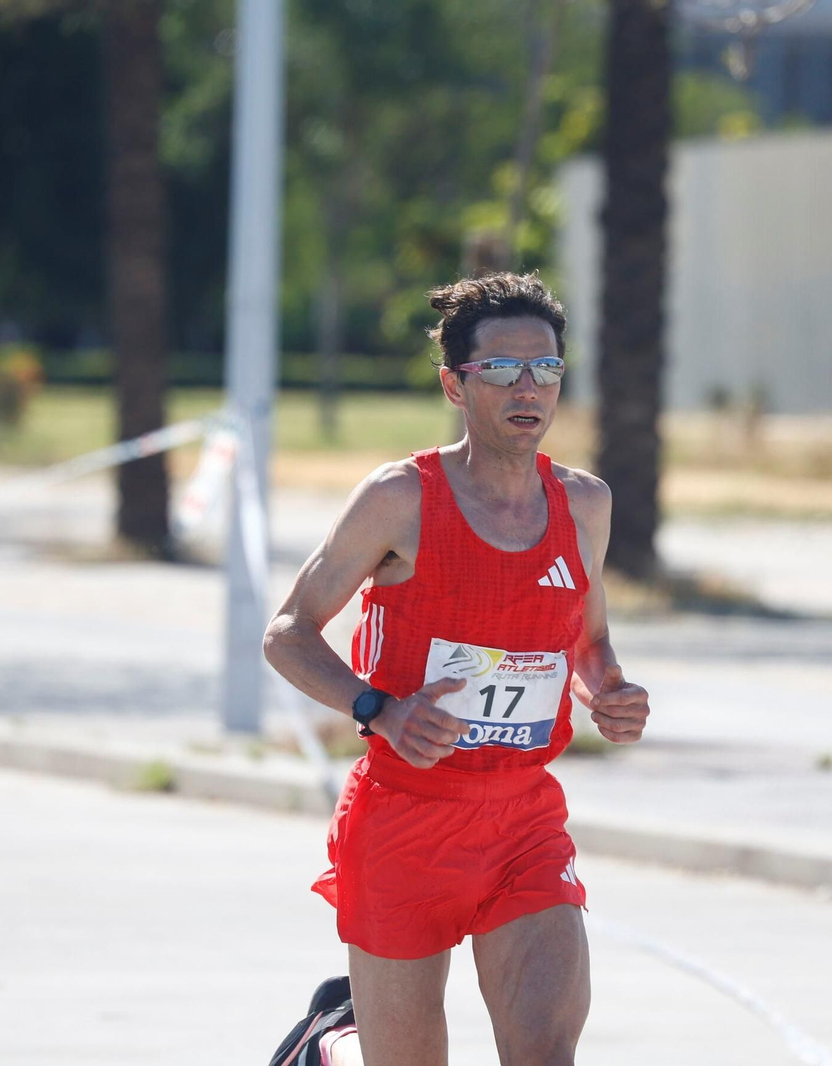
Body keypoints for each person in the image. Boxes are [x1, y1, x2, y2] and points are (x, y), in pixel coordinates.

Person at [263, 271, 651, 1066]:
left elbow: (589, 637)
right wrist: (380, 708)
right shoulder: (401, 497)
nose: (527, 388)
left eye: (545, 369)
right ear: (454, 384)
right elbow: (289, 633)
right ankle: (329, 1044)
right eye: (501, 370)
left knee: (545, 1054)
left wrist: (609, 688)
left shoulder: (584, 505)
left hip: (522, 823)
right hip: (405, 819)